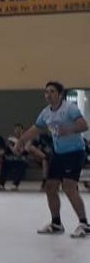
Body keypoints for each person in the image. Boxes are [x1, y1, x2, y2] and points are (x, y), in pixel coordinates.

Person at [17, 81, 90, 237]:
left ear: (60, 94)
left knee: (69, 187)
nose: (48, 95)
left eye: (52, 91)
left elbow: (84, 126)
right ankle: (56, 223)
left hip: (75, 152)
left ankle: (84, 224)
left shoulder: (70, 108)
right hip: (58, 153)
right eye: (46, 92)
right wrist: (21, 141)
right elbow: (35, 129)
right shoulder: (45, 113)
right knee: (50, 187)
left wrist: (68, 129)